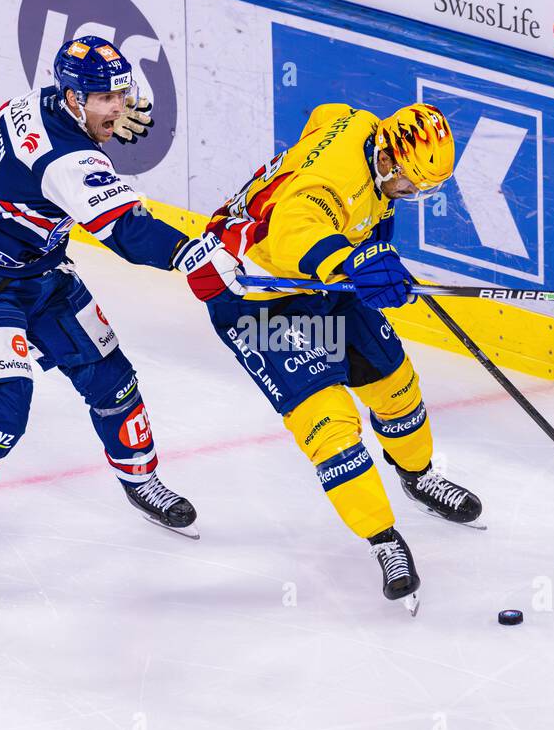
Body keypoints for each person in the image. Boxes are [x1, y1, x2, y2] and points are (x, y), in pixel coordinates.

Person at [0, 35, 231, 602]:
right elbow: (126, 231)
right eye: (105, 100)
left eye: (121, 96)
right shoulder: (67, 160)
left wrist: (103, 118)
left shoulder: (41, 101)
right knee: (1, 411)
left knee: (114, 381)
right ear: (73, 97)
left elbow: (63, 153)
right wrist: (190, 251)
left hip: (44, 272)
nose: (118, 110)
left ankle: (141, 483)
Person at [183, 102, 484, 614]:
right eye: (413, 184)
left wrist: (361, 253)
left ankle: (417, 476)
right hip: (256, 298)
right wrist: (353, 259)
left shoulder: (365, 127)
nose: (416, 195)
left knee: (395, 384)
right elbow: (294, 232)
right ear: (387, 160)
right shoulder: (327, 186)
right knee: (329, 425)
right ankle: (384, 539)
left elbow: (326, 114)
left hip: (321, 278)